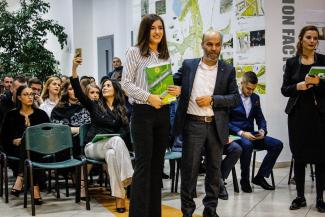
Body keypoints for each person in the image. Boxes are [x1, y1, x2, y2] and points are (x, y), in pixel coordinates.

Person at [173, 30, 240, 217]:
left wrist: (213, 100)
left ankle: (210, 211)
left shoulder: (228, 70)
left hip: (216, 127)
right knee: (189, 172)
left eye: (217, 44)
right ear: (202, 44)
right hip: (192, 125)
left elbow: (235, 98)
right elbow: (171, 83)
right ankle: (187, 212)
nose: (213, 48)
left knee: (214, 171)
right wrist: (174, 89)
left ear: (221, 46)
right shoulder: (188, 66)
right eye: (209, 44)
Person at [121, 14, 180, 217]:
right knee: (143, 167)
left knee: (157, 168)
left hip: (163, 112)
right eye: (153, 28)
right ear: (145, 30)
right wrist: (148, 97)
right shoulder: (135, 52)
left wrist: (175, 90)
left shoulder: (164, 54)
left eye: (160, 28)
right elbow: (126, 83)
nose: (157, 32)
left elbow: (165, 85)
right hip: (143, 113)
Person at [72, 57, 133, 213]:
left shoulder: (122, 109)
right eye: (103, 85)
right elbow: (78, 93)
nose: (104, 87)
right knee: (117, 140)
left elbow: (125, 131)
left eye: (107, 85)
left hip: (111, 148)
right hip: (92, 146)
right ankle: (129, 178)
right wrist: (74, 69)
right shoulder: (94, 105)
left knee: (112, 154)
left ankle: (120, 199)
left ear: (115, 90)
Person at [281, 25, 325, 213]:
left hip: (319, 115)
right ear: (301, 39)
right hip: (298, 115)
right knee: (299, 156)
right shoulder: (292, 63)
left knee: (321, 158)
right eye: (309, 37)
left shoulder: (323, 61)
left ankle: (320, 199)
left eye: (316, 38)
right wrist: (298, 86)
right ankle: (300, 197)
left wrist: (318, 84)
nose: (313, 41)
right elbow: (284, 90)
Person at [229, 71, 283, 193]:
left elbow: (260, 118)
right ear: (241, 83)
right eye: (248, 88)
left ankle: (260, 177)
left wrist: (262, 130)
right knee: (247, 145)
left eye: (253, 89)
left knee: (277, 144)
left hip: (251, 134)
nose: (250, 91)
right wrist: (241, 133)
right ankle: (244, 180)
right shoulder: (231, 97)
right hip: (236, 135)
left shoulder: (255, 98)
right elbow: (226, 121)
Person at [1, 85, 49, 204]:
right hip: (15, 150)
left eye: (31, 94)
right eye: (26, 94)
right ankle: (35, 188)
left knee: (28, 139)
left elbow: (48, 134)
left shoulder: (41, 114)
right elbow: (3, 137)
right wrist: (13, 140)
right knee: (27, 143)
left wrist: (25, 140)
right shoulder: (11, 115)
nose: (30, 97)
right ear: (19, 97)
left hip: (40, 148)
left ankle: (21, 176)